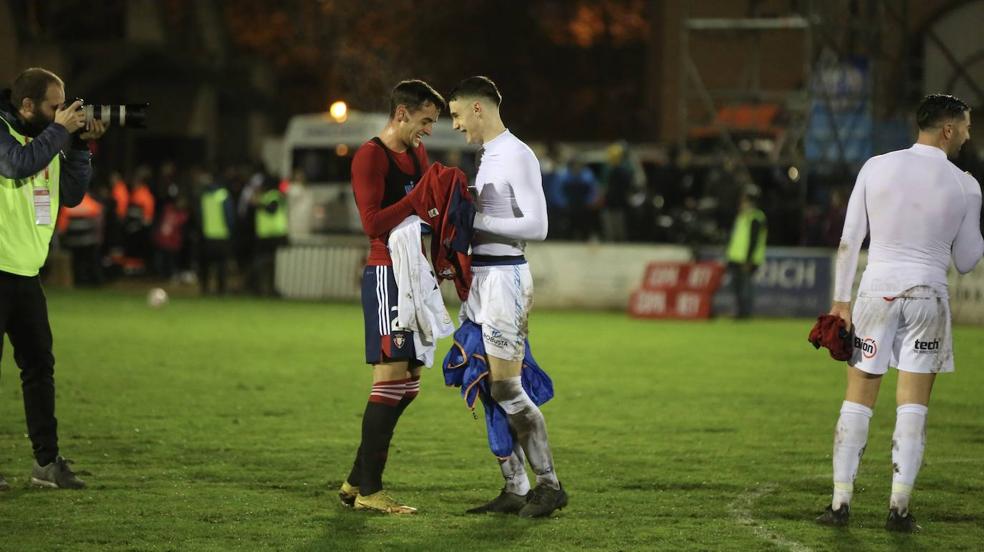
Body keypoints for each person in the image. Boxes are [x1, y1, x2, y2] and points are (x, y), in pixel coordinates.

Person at [816, 94, 982, 532]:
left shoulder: (876, 166)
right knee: (913, 407)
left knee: (858, 400)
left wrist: (840, 302)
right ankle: (899, 509)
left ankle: (839, 504)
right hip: (928, 294)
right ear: (947, 129)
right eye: (966, 126)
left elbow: (851, 238)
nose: (968, 134)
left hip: (876, 292)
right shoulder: (965, 184)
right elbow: (966, 260)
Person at [448, 76, 567, 518]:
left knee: (505, 387)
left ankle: (550, 485)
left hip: (505, 280)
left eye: (458, 115)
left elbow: (537, 228)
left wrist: (473, 217)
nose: (456, 125)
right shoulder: (489, 155)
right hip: (482, 280)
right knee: (479, 380)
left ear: (478, 109)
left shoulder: (516, 154)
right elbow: (492, 218)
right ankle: (515, 487)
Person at [337, 80, 445, 514]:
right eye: (425, 121)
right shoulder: (370, 156)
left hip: (413, 273)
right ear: (402, 113)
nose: (429, 131)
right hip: (386, 275)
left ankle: (353, 482)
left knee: (410, 386)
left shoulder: (416, 154)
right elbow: (372, 223)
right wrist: (419, 197)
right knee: (389, 381)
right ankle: (371, 492)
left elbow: (425, 206)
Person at [0, 67, 106, 490]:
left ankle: (47, 464)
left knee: (39, 369)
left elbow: (74, 195)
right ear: (26, 106)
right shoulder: (5, 134)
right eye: (54, 106)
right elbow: (15, 165)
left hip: (25, 274)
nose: (63, 112)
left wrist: (80, 146)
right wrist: (60, 133)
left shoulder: (52, 140)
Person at [724, 187, 767, 319]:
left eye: (744, 200)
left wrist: (749, 260)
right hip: (736, 258)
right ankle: (739, 312)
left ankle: (745, 313)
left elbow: (753, 241)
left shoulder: (756, 217)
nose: (742, 203)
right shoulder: (742, 216)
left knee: (745, 288)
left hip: (747, 260)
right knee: (737, 288)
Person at [196, 169, 234, 295]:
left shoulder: (205, 196)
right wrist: (230, 231)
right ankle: (221, 290)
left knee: (206, 265)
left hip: (207, 236)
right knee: (221, 265)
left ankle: (205, 289)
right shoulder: (223, 195)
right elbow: (229, 216)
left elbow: (200, 216)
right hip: (222, 235)